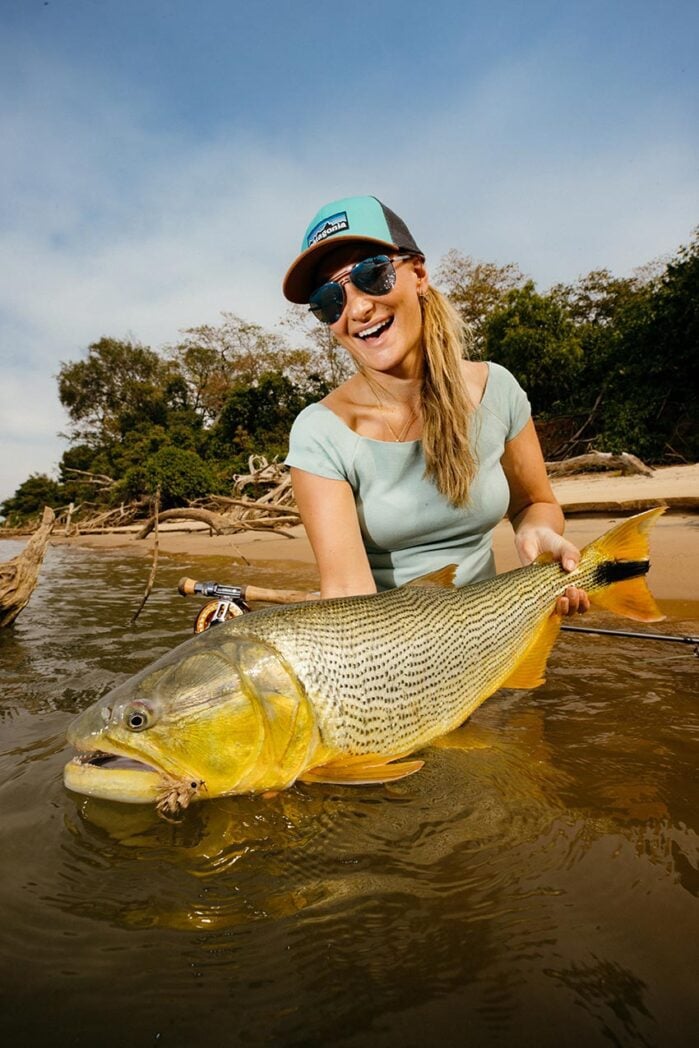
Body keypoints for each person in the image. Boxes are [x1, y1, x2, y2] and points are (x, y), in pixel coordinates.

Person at [282, 194, 589, 616]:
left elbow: (534, 503)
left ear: (419, 274)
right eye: (329, 301)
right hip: (391, 659)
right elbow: (347, 590)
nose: (357, 307)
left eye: (373, 274)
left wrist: (538, 535)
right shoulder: (320, 432)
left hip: (496, 639)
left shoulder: (498, 389)